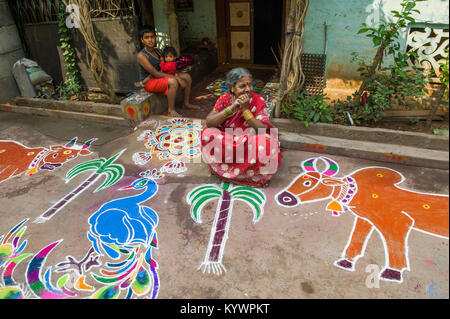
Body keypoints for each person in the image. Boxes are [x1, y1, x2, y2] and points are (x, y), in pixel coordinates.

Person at [202, 68, 282, 187]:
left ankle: (253, 177)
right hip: (228, 140)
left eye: (250, 85)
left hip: (249, 141)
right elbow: (209, 122)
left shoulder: (258, 100)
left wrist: (245, 110)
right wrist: (232, 108)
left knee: (267, 144)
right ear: (232, 88)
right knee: (207, 133)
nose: (248, 89)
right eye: (242, 86)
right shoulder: (224, 99)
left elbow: (262, 129)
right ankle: (223, 171)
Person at [136, 26, 199, 117]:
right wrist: (177, 77)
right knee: (173, 81)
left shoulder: (157, 50)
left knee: (187, 77)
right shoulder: (142, 55)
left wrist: (176, 73)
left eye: (152, 37)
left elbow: (167, 65)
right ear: (142, 40)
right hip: (150, 81)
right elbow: (155, 73)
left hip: (161, 75)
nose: (150, 40)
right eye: (146, 37)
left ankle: (186, 103)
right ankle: (171, 110)